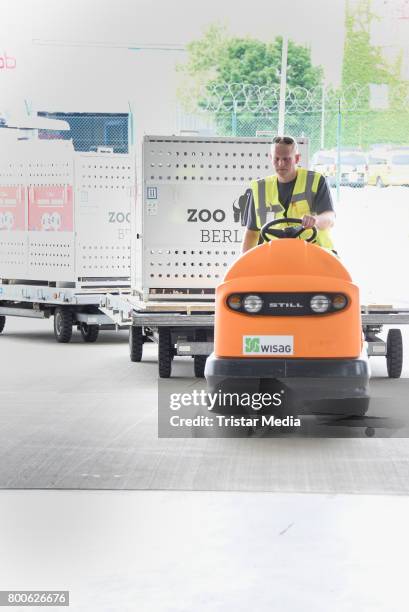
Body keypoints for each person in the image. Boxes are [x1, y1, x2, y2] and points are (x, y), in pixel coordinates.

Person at [241, 135, 336, 253]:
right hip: (275, 258)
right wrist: (244, 265)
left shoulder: (315, 181)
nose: (281, 164)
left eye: (286, 159)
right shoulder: (260, 188)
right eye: (276, 159)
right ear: (271, 158)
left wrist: (315, 220)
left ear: (296, 158)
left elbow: (329, 218)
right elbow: (252, 233)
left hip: (315, 255)